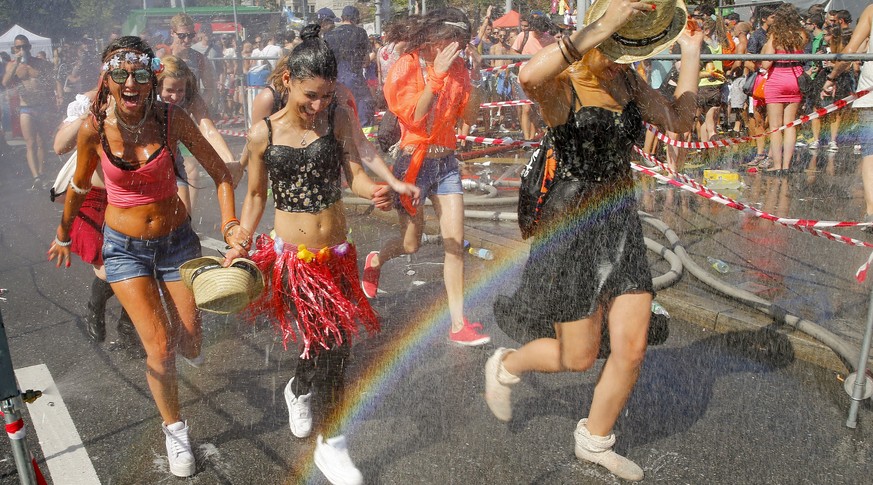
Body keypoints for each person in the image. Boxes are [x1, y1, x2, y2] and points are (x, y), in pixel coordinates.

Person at [488, 0, 701, 481]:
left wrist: (691, 53)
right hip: (572, 226)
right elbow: (527, 77)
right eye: (627, 41)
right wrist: (603, 24)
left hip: (620, 219)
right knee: (577, 356)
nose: (633, 54)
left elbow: (679, 122)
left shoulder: (627, 82)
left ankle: (595, 440)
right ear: (606, 32)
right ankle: (507, 364)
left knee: (633, 345)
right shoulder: (564, 85)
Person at [225, 25, 418, 485]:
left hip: (338, 256)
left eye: (327, 96)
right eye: (311, 96)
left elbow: (354, 172)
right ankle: (332, 445)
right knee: (335, 347)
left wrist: (378, 190)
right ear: (288, 80)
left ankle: (297, 387)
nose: (318, 106)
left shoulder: (337, 119)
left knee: (325, 345)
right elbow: (254, 197)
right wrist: (239, 241)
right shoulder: (263, 134)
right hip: (294, 261)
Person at [46, 36, 239, 478]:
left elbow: (221, 173)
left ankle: (171, 342)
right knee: (161, 347)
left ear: (152, 77)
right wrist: (62, 234)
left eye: (138, 74)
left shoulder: (173, 120)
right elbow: (78, 185)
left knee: (191, 341)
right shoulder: (93, 127)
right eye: (119, 74)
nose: (129, 82)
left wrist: (230, 228)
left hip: (177, 245)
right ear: (107, 80)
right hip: (124, 249)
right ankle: (176, 431)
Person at [361, 8, 492, 346]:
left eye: (463, 42)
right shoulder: (406, 66)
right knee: (411, 243)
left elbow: (468, 119)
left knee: (454, 244)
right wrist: (436, 76)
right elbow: (415, 119)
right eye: (454, 40)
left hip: (446, 164)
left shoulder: (460, 68)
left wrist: (474, 81)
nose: (458, 48)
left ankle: (458, 323)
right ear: (434, 39)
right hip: (413, 164)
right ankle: (376, 259)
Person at [52, 90, 141, 354]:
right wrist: (92, 113)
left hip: (128, 197)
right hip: (90, 198)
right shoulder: (91, 101)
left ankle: (127, 329)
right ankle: (96, 305)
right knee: (108, 270)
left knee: (138, 266)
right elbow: (60, 146)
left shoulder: (145, 100)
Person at [157, 55, 237, 211]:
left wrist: (230, 161)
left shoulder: (191, 97)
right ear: (158, 85)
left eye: (180, 90)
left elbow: (208, 130)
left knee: (183, 212)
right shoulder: (145, 95)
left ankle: (188, 225)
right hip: (144, 154)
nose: (174, 96)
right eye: (169, 90)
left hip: (173, 149)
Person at [824, 4, 873, 228]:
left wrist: (832, 76)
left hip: (870, 93)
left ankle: (872, 212)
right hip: (868, 94)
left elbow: (852, 49)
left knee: (871, 154)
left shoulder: (871, 10)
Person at [2, 34, 56, 190]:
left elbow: (51, 80)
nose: (22, 49)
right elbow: (5, 82)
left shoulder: (39, 63)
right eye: (18, 47)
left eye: (25, 46)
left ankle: (42, 172)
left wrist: (56, 98)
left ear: (30, 47)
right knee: (30, 143)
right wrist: (17, 62)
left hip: (42, 107)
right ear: (14, 49)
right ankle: (36, 177)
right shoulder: (12, 65)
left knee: (42, 142)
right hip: (25, 108)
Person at [761, 3, 807, 174]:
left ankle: (777, 165)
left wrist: (767, 45)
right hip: (795, 79)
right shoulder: (801, 35)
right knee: (790, 125)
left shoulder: (775, 36)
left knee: (775, 127)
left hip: (777, 80)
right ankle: (787, 166)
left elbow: (766, 63)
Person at [324, 6, 375, 127]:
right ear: (356, 19)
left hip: (334, 81)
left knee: (338, 112)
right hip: (355, 79)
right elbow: (366, 61)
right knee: (364, 108)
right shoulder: (360, 32)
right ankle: (364, 139)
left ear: (342, 18)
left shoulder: (329, 35)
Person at [169, 14, 216, 108]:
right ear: (172, 33)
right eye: (182, 36)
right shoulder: (161, 56)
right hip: (164, 111)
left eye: (191, 35)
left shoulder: (200, 59)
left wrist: (198, 109)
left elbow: (210, 89)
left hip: (189, 111)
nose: (187, 40)